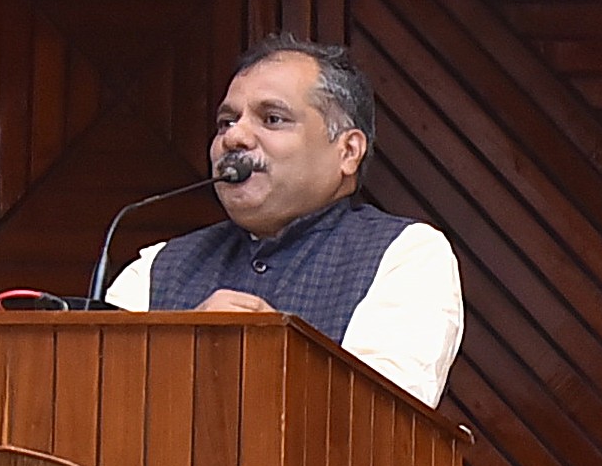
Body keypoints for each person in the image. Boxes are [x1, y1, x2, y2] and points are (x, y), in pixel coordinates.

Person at [106, 35, 465, 407]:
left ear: (348, 151)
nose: (234, 137)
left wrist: (278, 356)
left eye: (273, 119)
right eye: (226, 122)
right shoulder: (156, 267)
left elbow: (385, 415)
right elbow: (98, 404)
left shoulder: (407, 255)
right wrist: (183, 351)